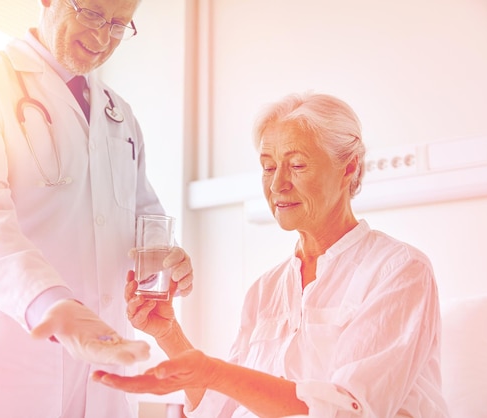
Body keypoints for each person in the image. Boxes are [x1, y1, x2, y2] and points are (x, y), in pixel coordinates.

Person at [93, 92, 451, 417]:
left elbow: (348, 409)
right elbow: (221, 408)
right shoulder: (265, 290)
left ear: (350, 168)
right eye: (268, 166)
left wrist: (214, 371)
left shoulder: (399, 271)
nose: (277, 184)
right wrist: (169, 333)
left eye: (296, 165)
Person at [0, 0, 194, 417]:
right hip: (11, 361)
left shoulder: (120, 115)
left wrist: (166, 256)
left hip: (103, 367)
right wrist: (50, 303)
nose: (103, 37)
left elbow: (142, 215)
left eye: (120, 25)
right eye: (90, 14)